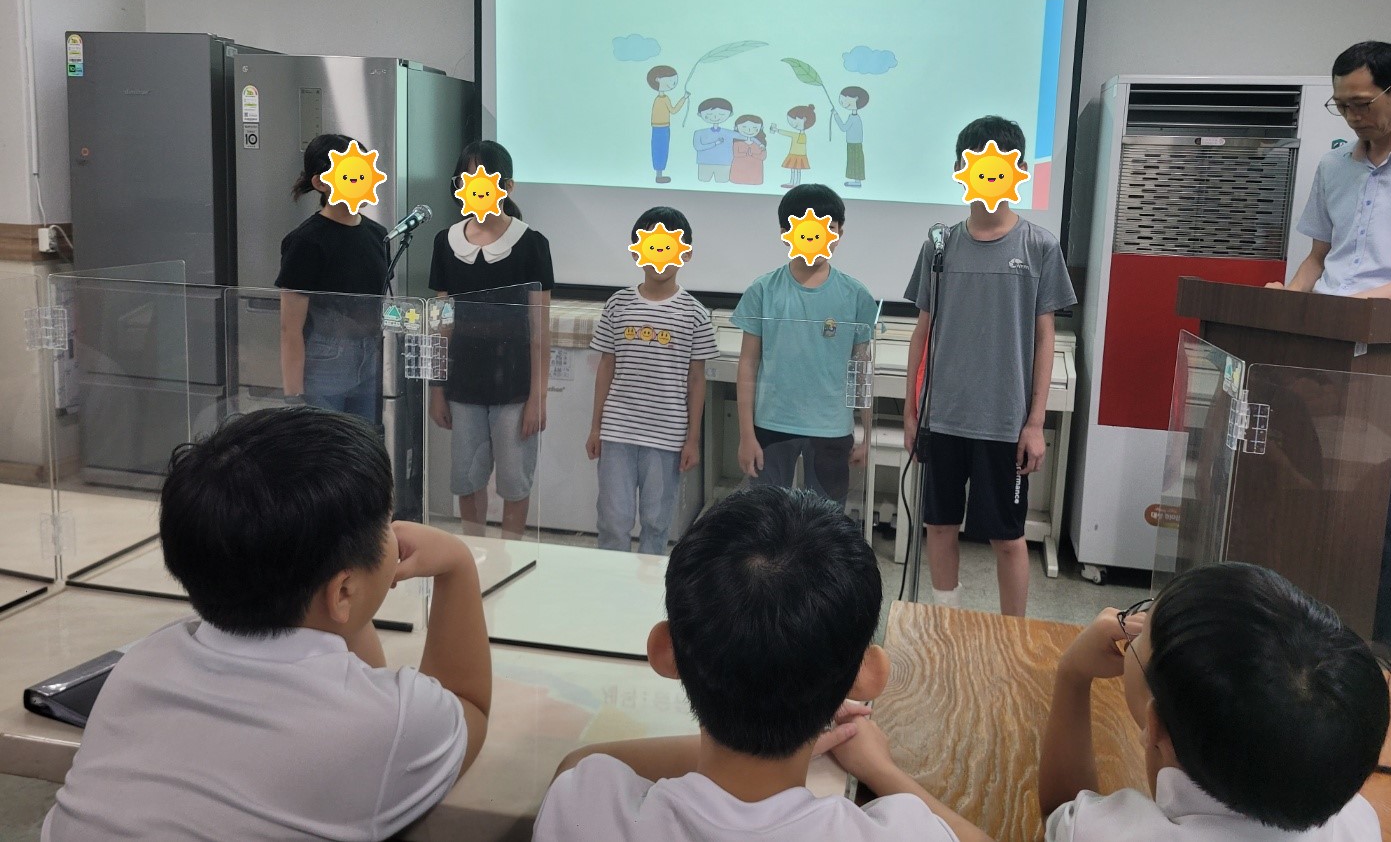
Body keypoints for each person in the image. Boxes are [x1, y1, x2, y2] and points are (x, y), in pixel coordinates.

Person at [42, 407, 492, 841]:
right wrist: (457, 565)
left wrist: (344, 593)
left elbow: (351, 661)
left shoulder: (144, 662)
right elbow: (467, 705)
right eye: (386, 525)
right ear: (342, 591)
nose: (394, 535)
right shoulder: (386, 723)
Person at [535, 484, 991, 842]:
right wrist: (881, 769)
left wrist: (756, 728)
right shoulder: (904, 832)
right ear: (869, 675)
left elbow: (580, 761)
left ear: (664, 651)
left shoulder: (581, 809)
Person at [1039, 562, 1390, 841]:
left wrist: (1072, 674)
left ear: (1155, 723)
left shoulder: (1107, 832)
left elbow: (1061, 816)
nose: (1136, 628)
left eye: (1142, 634)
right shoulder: (1358, 823)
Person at [1271, 41, 1391, 661]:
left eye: (1362, 103)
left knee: (1385, 501)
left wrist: (1367, 302)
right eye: (1343, 106)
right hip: (1325, 347)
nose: (1353, 117)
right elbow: (1318, 259)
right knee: (1312, 484)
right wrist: (1289, 301)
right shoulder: (1334, 167)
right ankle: (1306, 635)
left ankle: (1379, 651)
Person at [903, 116, 1075, 617]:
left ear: (1018, 171)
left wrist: (1035, 422)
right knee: (938, 526)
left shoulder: (1039, 246)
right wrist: (912, 412)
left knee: (1007, 537)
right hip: (943, 416)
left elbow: (1045, 337)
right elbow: (922, 331)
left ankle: (1012, 636)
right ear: (961, 170)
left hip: (1004, 422)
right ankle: (946, 621)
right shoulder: (940, 246)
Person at [429, 140, 553, 538]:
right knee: (467, 478)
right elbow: (441, 322)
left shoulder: (532, 243)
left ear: (507, 187)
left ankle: (511, 555)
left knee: (515, 482)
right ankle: (475, 555)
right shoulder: (445, 242)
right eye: (467, 179)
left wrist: (538, 396)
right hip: (463, 384)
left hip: (515, 386)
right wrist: (436, 387)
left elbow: (540, 330)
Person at [734, 184, 875, 510]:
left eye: (828, 228)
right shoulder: (763, 290)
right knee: (766, 521)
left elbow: (862, 370)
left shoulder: (856, 295)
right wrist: (746, 435)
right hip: (771, 425)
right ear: (786, 233)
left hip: (831, 429)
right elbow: (747, 364)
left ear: (839, 233)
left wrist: (868, 435)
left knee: (825, 524)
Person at [587, 207, 719, 554]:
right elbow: (606, 366)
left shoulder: (695, 313)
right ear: (636, 252)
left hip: (667, 435)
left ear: (685, 253)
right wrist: (595, 427)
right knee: (613, 520)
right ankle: (611, 580)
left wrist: (692, 439)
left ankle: (648, 583)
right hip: (617, 429)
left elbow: (697, 379)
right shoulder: (618, 304)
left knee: (657, 522)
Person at [276, 132, 390, 424]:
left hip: (370, 355)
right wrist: (294, 396)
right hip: (325, 359)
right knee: (326, 443)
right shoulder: (306, 241)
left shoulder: (378, 235)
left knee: (363, 441)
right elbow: (290, 328)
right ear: (320, 182)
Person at [647, 64, 689, 184]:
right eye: (670, 81)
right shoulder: (662, 99)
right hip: (660, 128)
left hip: (661, 127)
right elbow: (673, 110)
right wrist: (684, 98)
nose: (673, 84)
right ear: (658, 79)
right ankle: (659, 175)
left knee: (661, 150)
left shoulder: (663, 98)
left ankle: (659, 174)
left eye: (674, 82)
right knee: (660, 150)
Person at [832, 86, 869, 188]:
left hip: (854, 144)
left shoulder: (854, 118)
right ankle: (856, 181)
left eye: (845, 100)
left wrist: (836, 115)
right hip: (853, 143)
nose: (843, 103)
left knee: (855, 162)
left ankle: (857, 181)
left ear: (856, 98)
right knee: (854, 161)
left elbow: (843, 128)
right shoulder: (854, 117)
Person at [772, 104, 816, 189]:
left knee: (798, 170)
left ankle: (797, 183)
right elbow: (788, 133)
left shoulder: (801, 135)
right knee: (793, 169)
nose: (792, 124)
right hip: (793, 154)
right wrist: (777, 130)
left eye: (794, 121)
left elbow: (789, 134)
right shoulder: (796, 134)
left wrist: (777, 130)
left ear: (804, 119)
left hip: (800, 155)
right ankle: (792, 182)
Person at [693, 97, 735, 183]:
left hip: (724, 163)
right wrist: (715, 143)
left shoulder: (729, 133)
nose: (715, 117)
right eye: (709, 114)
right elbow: (698, 147)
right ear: (699, 114)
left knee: (723, 182)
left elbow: (745, 137)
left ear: (730, 114)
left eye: (721, 114)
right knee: (703, 182)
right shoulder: (699, 133)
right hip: (704, 162)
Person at [729, 113, 767, 185]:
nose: (749, 130)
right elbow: (735, 154)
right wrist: (746, 153)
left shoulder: (759, 144)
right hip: (739, 167)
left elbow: (763, 156)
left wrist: (753, 154)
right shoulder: (737, 142)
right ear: (736, 127)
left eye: (754, 128)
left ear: (761, 128)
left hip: (755, 168)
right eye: (744, 127)